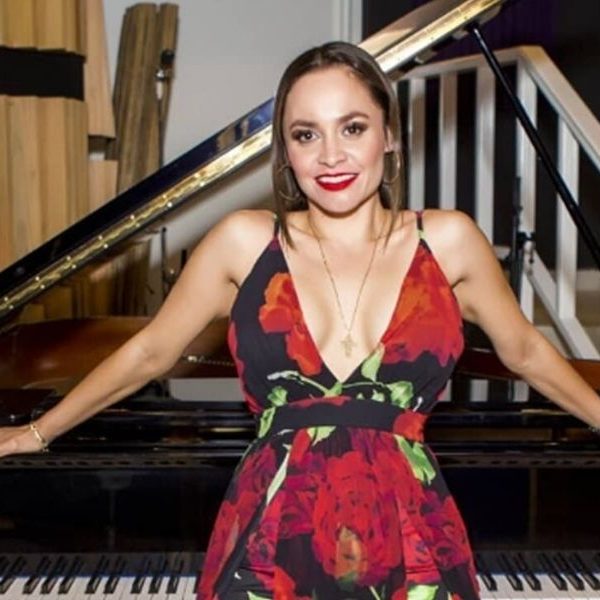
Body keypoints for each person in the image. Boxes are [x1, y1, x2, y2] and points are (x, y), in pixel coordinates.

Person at [1, 41, 599, 600]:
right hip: (271, 532)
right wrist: (37, 433)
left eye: (353, 128)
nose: (330, 155)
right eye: (305, 134)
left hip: (409, 533)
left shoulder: (448, 241)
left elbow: (525, 352)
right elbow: (151, 352)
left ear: (389, 136)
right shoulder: (244, 242)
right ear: (286, 151)